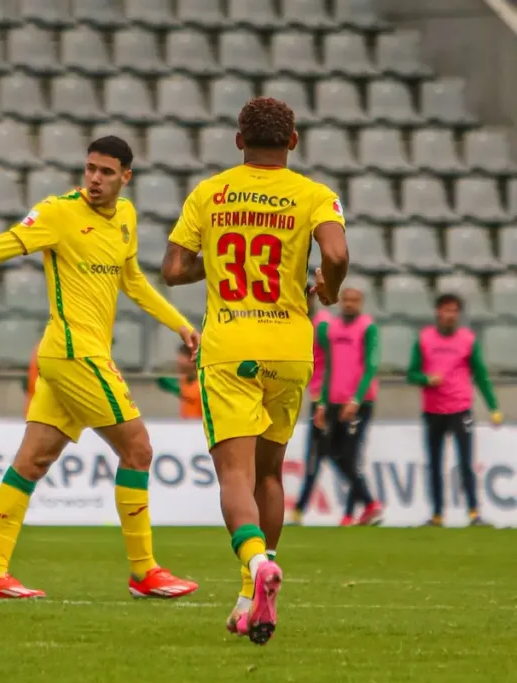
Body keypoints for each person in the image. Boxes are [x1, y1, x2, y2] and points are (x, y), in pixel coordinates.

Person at [0, 137, 201, 600]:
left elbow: (133, 281)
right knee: (139, 450)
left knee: (31, 462)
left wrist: (181, 325)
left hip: (74, 356)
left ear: (125, 177)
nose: (94, 178)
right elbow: (0, 247)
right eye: (90, 168)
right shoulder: (57, 212)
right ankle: (144, 571)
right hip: (73, 353)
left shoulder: (126, 219)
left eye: (107, 172)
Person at [162, 97, 349, 645]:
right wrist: (328, 292)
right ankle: (250, 597)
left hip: (230, 348)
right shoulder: (316, 195)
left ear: (238, 141)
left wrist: (215, 260)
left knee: (236, 477)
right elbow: (335, 257)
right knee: (269, 474)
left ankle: (256, 565)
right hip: (291, 348)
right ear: (293, 142)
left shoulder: (210, 192)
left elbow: (173, 270)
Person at [407, 293, 502, 527]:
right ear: (438, 312)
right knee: (435, 464)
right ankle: (437, 514)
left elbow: (480, 375)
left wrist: (493, 406)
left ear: (458, 314)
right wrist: (426, 379)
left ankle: (473, 513)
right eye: (446, 310)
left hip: (460, 409)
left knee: (466, 463)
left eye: (454, 311)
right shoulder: (425, 339)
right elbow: (411, 374)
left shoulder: (468, 340)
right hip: (433, 410)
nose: (450, 315)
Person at [313, 282, 383, 527]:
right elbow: (328, 367)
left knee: (351, 456)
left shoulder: (368, 328)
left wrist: (357, 398)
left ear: (361, 303)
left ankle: (349, 513)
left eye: (354, 300)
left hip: (358, 403)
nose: (349, 304)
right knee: (333, 454)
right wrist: (321, 402)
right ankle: (369, 503)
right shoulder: (331, 328)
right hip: (333, 400)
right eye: (346, 299)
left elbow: (371, 366)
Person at [290, 285, 333, 524]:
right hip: (318, 397)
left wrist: (324, 401)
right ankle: (366, 504)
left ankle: (299, 508)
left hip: (324, 400)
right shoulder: (298, 321)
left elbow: (334, 364)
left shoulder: (322, 325)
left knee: (316, 456)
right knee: (334, 455)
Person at [156, 345, 203, 419]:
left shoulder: (203, 384)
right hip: (185, 426)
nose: (178, 361)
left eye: (182, 356)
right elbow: (161, 380)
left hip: (199, 426)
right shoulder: (184, 381)